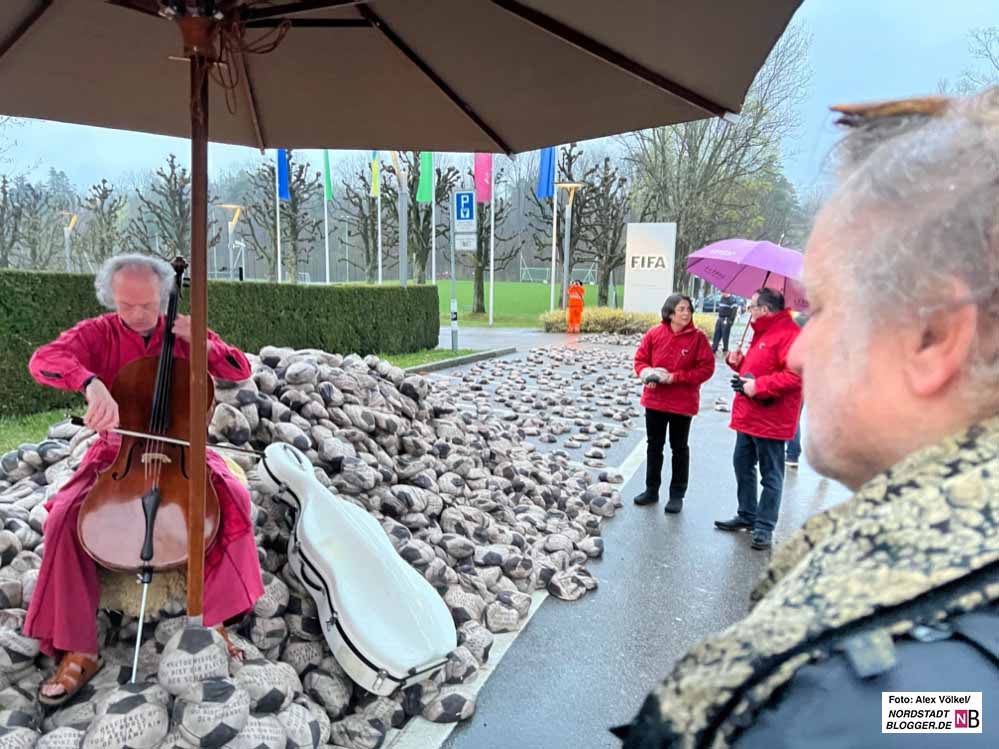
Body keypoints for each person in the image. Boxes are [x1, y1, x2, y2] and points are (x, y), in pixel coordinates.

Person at [612, 91, 999, 747]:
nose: (799, 344)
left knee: (758, 476)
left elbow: (944, 716)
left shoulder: (865, 708)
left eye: (820, 308)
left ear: (934, 336)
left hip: (757, 422)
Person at [25, 254, 264, 705]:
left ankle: (217, 622)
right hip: (119, 451)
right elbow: (43, 361)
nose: (136, 316)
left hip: (183, 447)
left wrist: (205, 345)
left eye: (147, 305)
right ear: (112, 299)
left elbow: (238, 369)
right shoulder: (97, 333)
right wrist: (90, 382)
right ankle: (77, 647)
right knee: (63, 519)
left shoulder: (185, 332)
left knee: (231, 500)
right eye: (125, 305)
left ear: (164, 297)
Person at [714, 288, 802, 550]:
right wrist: (737, 364)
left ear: (765, 309)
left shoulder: (789, 334)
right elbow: (755, 370)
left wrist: (758, 387)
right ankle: (747, 514)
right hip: (749, 416)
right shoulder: (761, 331)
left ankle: (764, 526)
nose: (748, 309)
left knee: (771, 475)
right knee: (742, 465)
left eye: (751, 305)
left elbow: (796, 376)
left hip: (772, 419)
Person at [632, 294, 715, 513]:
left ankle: (677, 495)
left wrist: (674, 377)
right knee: (654, 447)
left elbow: (706, 369)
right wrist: (647, 374)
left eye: (688, 309)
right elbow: (640, 360)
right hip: (655, 401)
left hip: (682, 403)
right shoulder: (654, 333)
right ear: (670, 312)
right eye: (681, 309)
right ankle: (651, 490)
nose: (686, 313)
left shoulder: (698, 339)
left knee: (679, 449)